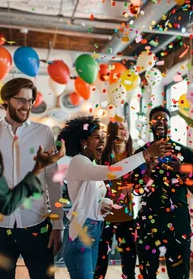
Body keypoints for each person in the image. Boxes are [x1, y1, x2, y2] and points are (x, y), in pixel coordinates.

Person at [0, 67, 66, 279]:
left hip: (37, 224)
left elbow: (53, 181)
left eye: (30, 100)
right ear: (6, 100)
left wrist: (57, 225)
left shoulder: (43, 132)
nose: (26, 106)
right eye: (20, 100)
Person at [58, 116, 172, 279]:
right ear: (83, 141)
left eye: (103, 138)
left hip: (94, 229)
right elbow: (112, 172)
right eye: (96, 137)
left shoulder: (91, 164)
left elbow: (87, 196)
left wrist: (103, 203)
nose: (102, 142)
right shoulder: (78, 161)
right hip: (81, 232)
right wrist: (145, 154)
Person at [133, 106, 193, 279]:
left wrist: (182, 171)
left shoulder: (185, 153)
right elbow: (137, 189)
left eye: (164, 118)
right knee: (148, 273)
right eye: (156, 118)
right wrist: (147, 170)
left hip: (177, 222)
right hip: (149, 221)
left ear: (169, 123)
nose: (160, 121)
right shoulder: (140, 154)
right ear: (150, 124)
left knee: (179, 274)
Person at [95, 120, 137, 279]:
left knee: (129, 257)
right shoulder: (102, 155)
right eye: (120, 128)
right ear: (112, 131)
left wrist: (133, 186)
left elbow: (141, 181)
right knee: (100, 257)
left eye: (126, 127)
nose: (124, 130)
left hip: (126, 214)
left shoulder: (133, 155)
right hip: (104, 213)